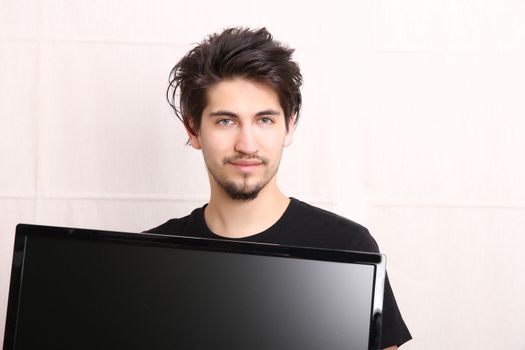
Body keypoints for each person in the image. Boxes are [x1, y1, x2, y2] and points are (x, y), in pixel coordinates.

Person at [147, 27, 412, 349]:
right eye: (225, 121)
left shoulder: (346, 247)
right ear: (194, 129)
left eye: (264, 120)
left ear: (289, 125)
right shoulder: (150, 256)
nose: (246, 144)